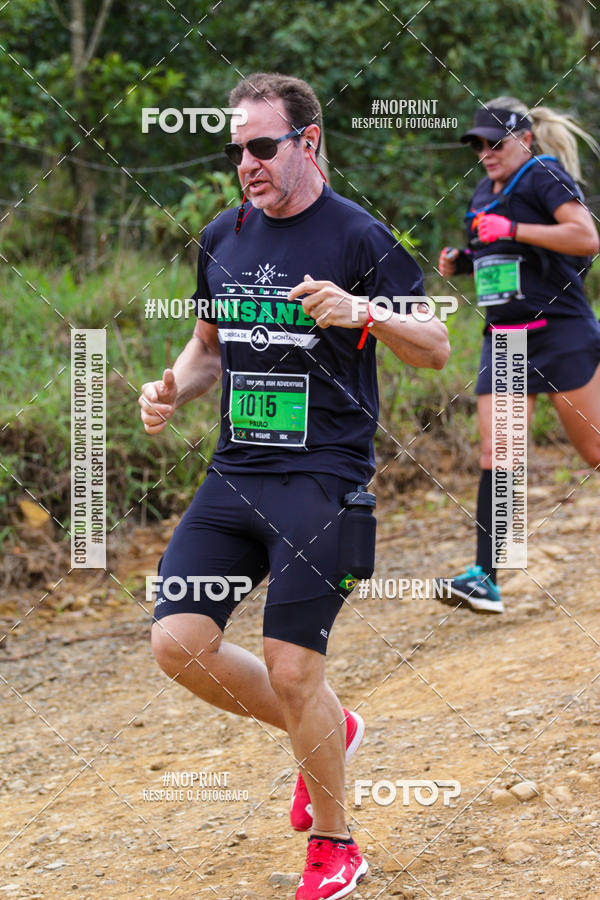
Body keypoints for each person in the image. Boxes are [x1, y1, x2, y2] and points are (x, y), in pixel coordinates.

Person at [139, 72, 449, 900]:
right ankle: (330, 733)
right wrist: (170, 386)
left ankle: (337, 844)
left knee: (291, 665)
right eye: (236, 149)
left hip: (323, 476)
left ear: (307, 143)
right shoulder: (222, 236)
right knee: (178, 643)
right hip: (237, 473)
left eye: (262, 146)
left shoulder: (358, 237)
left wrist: (365, 313)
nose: (246, 162)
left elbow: (437, 345)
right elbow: (208, 349)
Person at [437, 97, 600, 615]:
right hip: (506, 337)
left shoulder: (543, 175)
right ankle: (486, 576)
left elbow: (584, 236)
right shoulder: (485, 190)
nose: (485, 152)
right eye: (478, 144)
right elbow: (499, 254)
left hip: (560, 332)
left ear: (525, 139)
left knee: (595, 452)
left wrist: (513, 231)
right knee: (498, 457)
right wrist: (464, 261)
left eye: (495, 142)